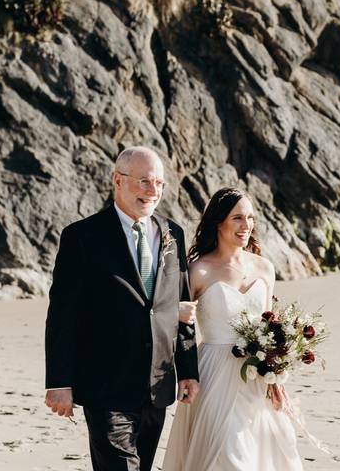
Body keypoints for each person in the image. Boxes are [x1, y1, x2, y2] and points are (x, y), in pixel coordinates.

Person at [44, 146, 199, 471]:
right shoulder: (82, 237)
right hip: (104, 386)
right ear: (118, 180)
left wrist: (187, 370)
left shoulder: (173, 234)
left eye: (158, 183)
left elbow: (181, 307)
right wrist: (59, 381)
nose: (152, 191)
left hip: (156, 384)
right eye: (144, 181)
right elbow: (63, 314)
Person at [162, 187, 304, 470]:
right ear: (218, 221)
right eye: (238, 217)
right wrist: (185, 374)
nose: (246, 225)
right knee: (228, 454)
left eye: (250, 218)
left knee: (262, 454)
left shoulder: (264, 268)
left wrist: (276, 378)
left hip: (256, 376)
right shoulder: (198, 270)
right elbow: (182, 328)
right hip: (213, 375)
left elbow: (269, 327)